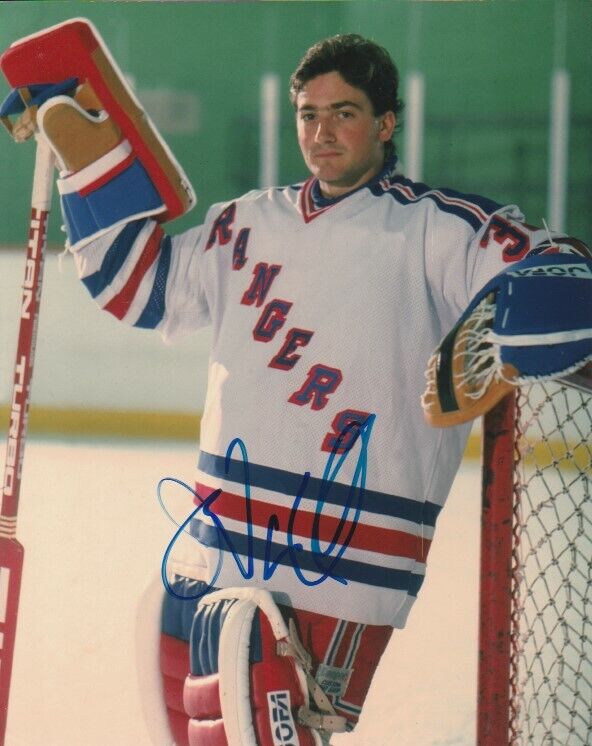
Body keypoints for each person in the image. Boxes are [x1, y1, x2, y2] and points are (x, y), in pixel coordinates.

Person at [16, 29, 590, 746]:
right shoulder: (246, 221)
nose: (322, 133)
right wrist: (82, 150)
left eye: (344, 113)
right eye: (309, 115)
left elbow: (545, 265)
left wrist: (550, 291)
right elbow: (139, 288)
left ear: (386, 123)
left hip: (348, 558)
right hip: (218, 539)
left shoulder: (437, 226)